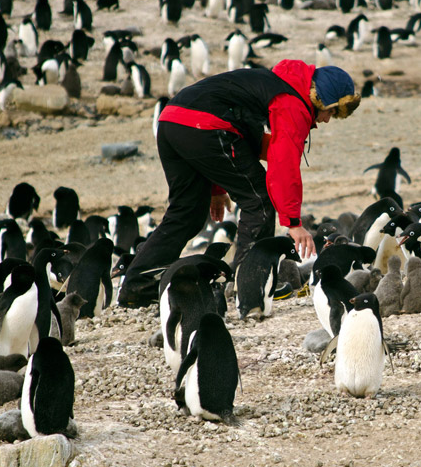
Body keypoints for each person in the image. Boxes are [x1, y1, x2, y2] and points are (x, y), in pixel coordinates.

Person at [117, 60, 361, 307]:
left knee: (187, 212)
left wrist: (217, 188)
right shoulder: (292, 102)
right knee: (259, 200)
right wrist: (293, 223)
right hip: (204, 126)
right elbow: (282, 162)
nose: (327, 120)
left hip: (171, 121)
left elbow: (248, 142)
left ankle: (137, 286)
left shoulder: (270, 85)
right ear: (322, 99)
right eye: (331, 112)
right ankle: (250, 286)